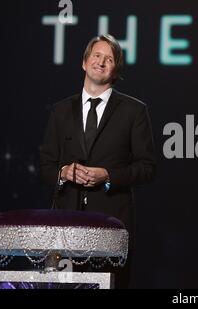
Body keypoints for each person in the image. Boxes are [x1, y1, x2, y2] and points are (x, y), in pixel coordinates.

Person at [39, 34, 156, 288]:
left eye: (109, 59)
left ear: (116, 70)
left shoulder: (134, 111)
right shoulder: (60, 111)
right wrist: (64, 172)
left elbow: (147, 168)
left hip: (111, 225)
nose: (101, 62)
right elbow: (45, 166)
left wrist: (108, 176)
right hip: (65, 225)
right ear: (84, 62)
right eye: (97, 56)